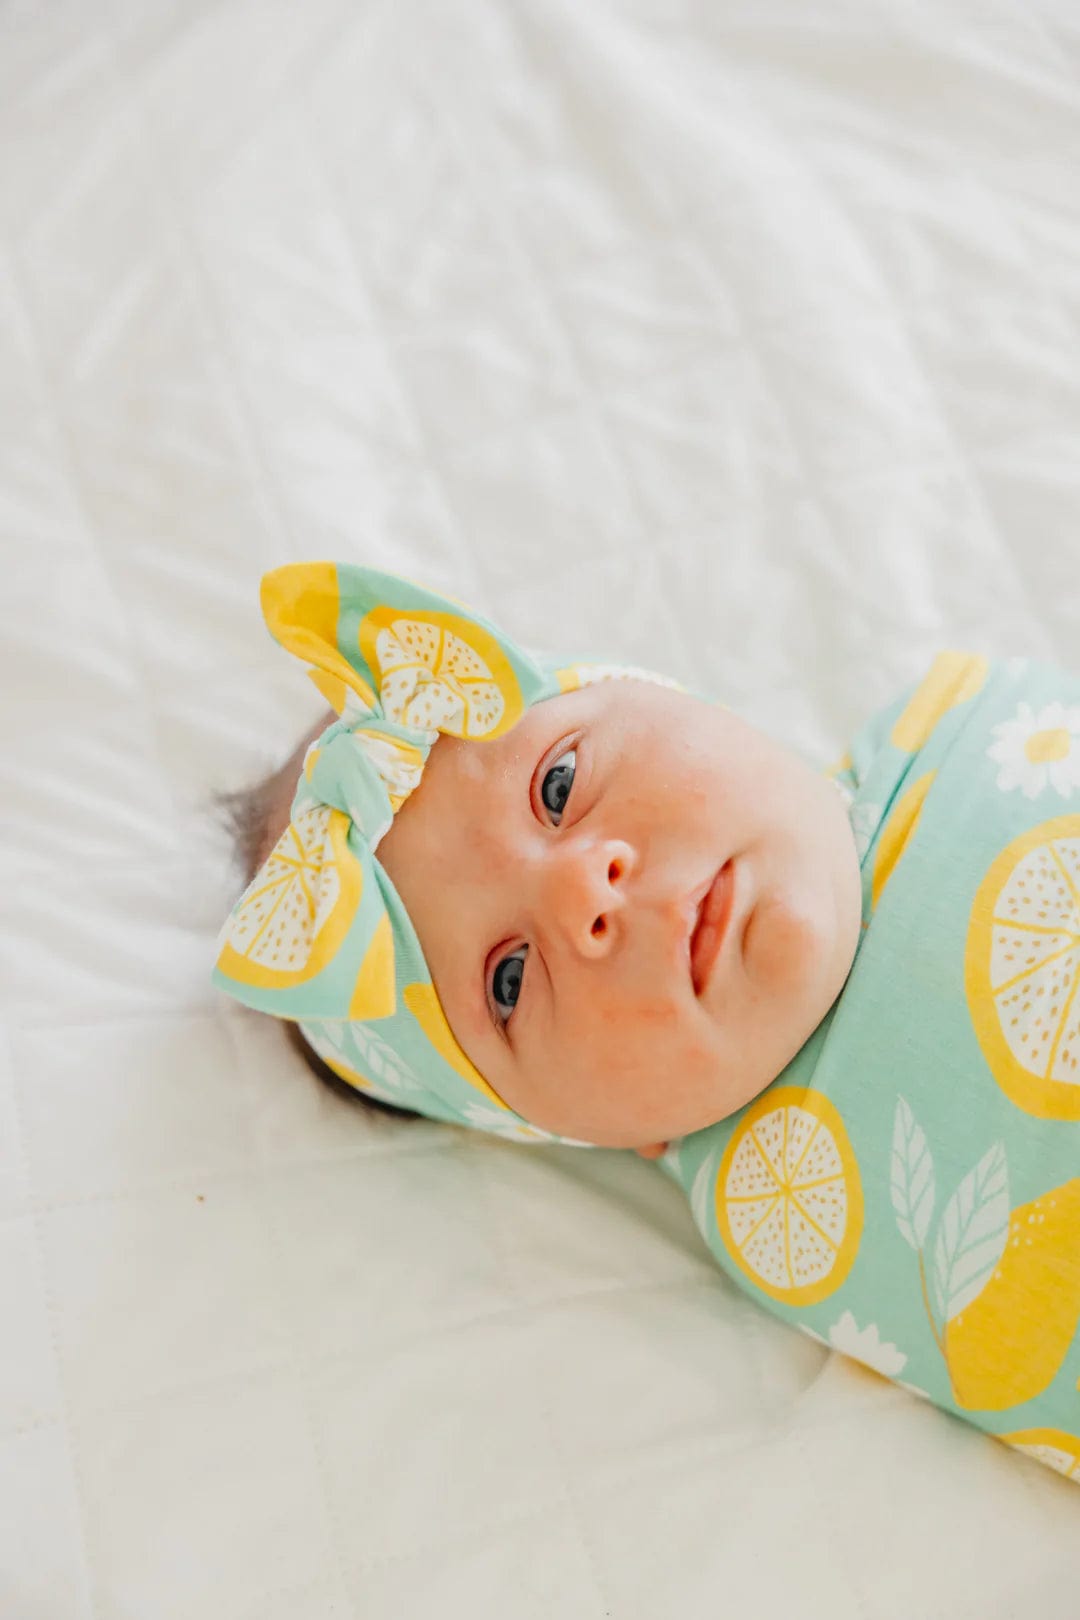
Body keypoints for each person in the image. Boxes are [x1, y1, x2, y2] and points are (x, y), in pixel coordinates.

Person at [214, 560, 1080, 1490]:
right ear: (581, 1128)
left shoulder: (972, 728)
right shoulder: (782, 1219)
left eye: (556, 786)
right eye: (507, 981)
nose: (583, 889)